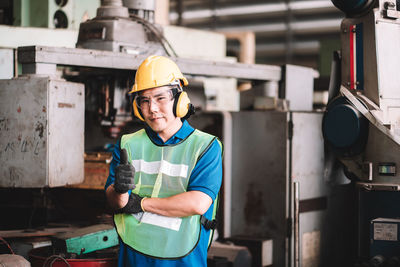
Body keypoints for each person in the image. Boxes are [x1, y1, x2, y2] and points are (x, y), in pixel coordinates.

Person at [105, 55, 223, 266]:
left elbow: (198, 203)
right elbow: (116, 203)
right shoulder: (127, 144)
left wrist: (140, 203)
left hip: (184, 261)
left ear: (179, 100)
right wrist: (120, 191)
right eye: (144, 100)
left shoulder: (205, 146)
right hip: (134, 258)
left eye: (160, 98)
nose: (152, 109)